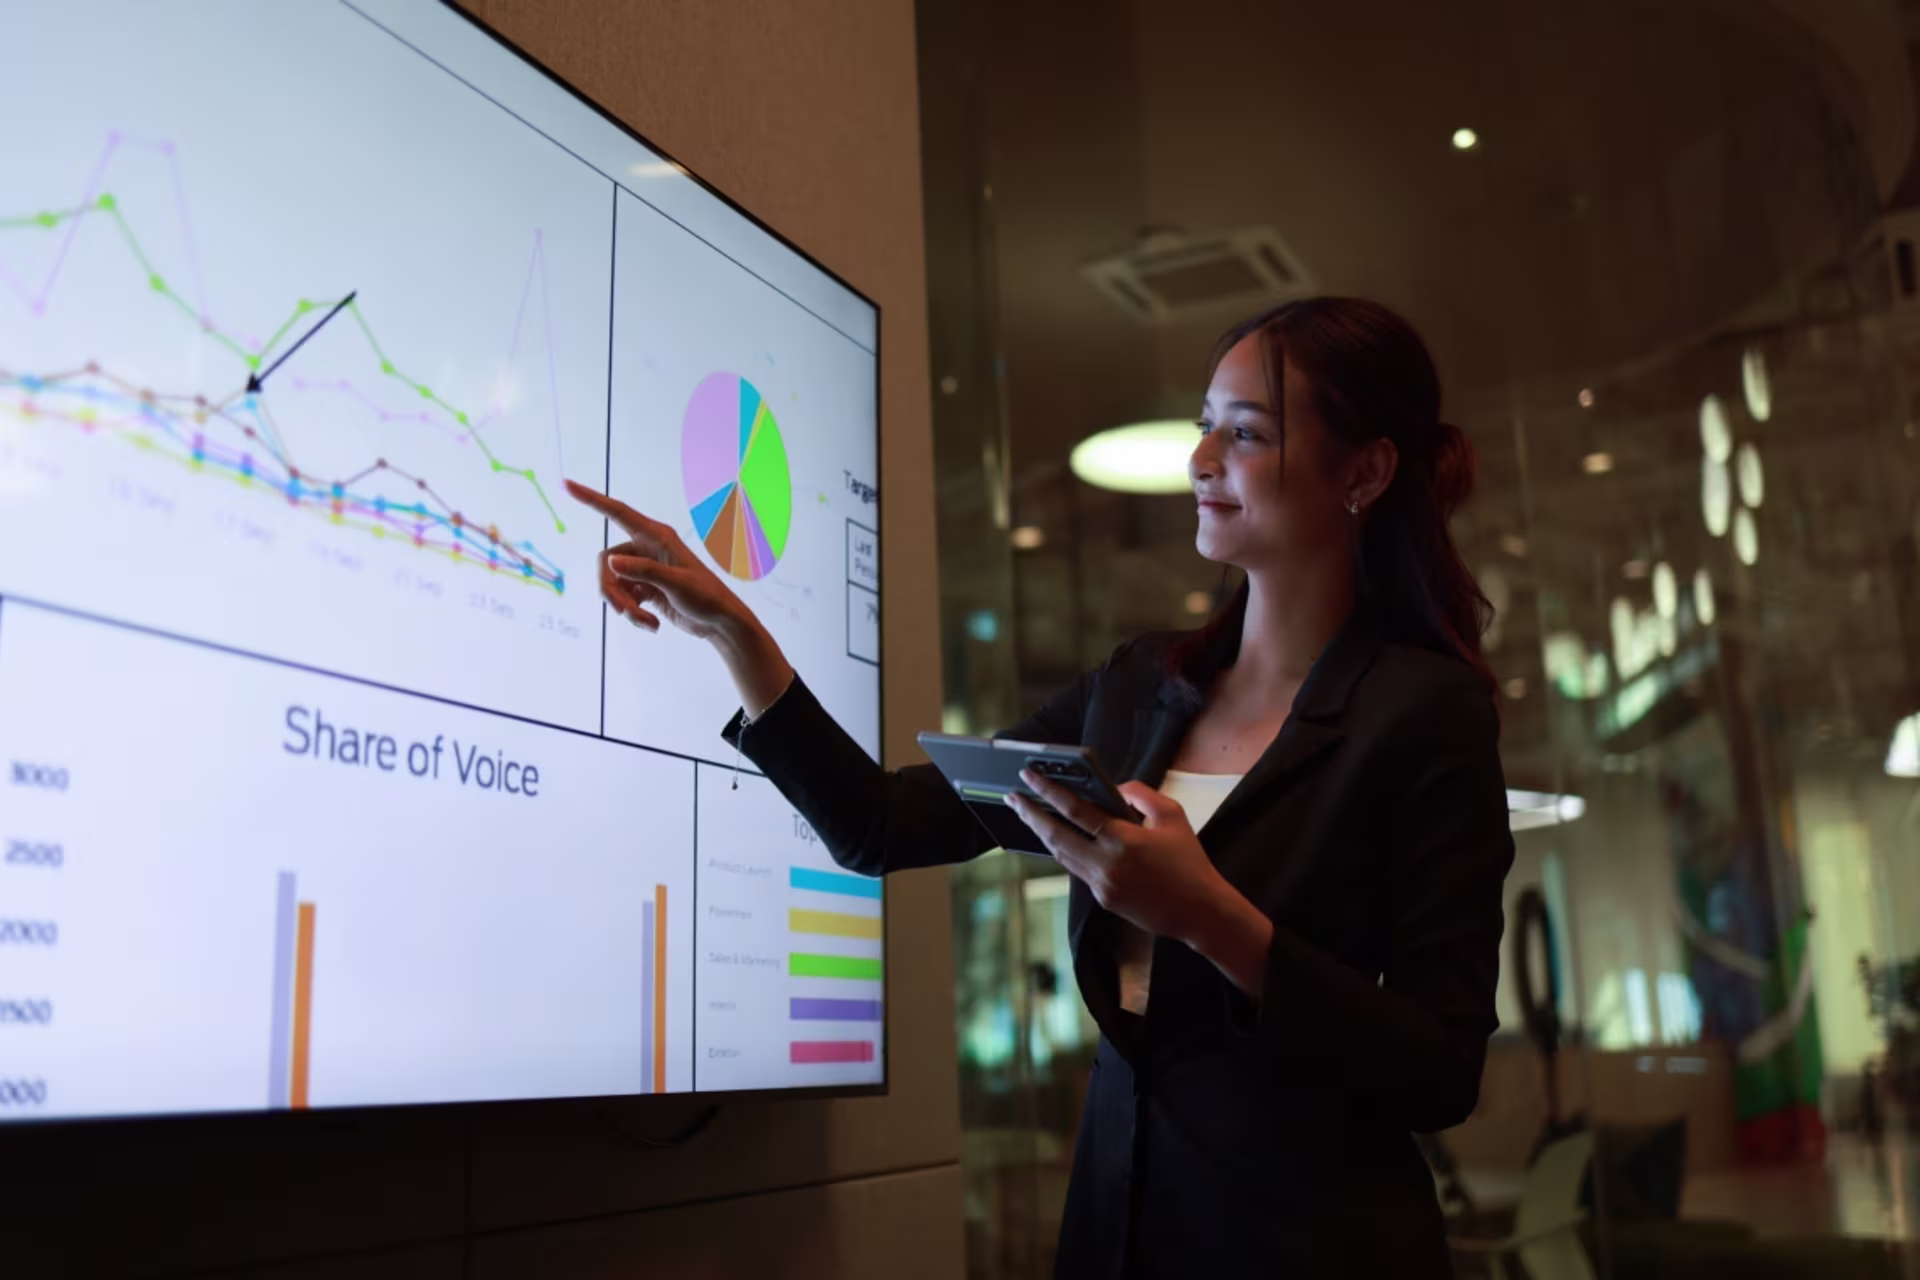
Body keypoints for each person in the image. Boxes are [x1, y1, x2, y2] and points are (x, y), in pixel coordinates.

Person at [567, 296, 1516, 1278]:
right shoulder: (1142, 689)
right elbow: (878, 823)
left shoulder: (1422, 712)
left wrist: (1210, 917)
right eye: (1204, 424)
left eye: (1246, 433)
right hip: (1117, 1229)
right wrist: (734, 629)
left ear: (1363, 470)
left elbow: (1440, 1067)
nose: (1200, 459)